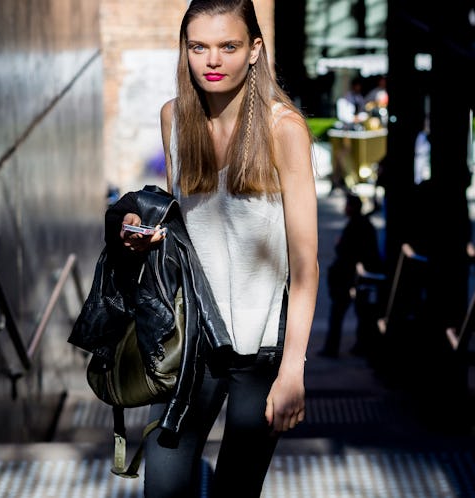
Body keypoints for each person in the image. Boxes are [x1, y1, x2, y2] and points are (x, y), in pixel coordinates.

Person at [114, 1, 319, 496]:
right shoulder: (174, 120)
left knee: (235, 491)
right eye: (198, 46)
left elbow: (307, 266)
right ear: (184, 51)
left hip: (261, 350)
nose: (212, 60)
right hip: (190, 344)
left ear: (254, 51)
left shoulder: (282, 129)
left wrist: (294, 369)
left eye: (228, 46)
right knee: (161, 488)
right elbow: (184, 231)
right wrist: (143, 234)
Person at [318, 193, 383, 358]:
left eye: (347, 205)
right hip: (354, 276)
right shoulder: (362, 224)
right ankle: (358, 346)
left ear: (353, 207)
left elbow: (347, 251)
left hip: (351, 277)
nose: (344, 208)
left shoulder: (356, 226)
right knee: (359, 313)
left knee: (341, 313)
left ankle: (334, 348)